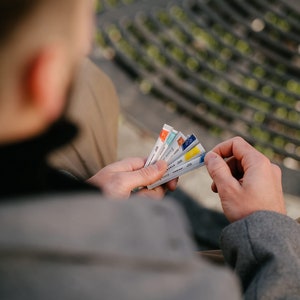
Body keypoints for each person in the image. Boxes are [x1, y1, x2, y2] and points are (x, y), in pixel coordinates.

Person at [0, 1, 300, 299]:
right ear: (45, 78)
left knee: (89, 84)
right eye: (88, 18)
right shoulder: (173, 284)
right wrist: (268, 230)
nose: (89, 39)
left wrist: (75, 200)